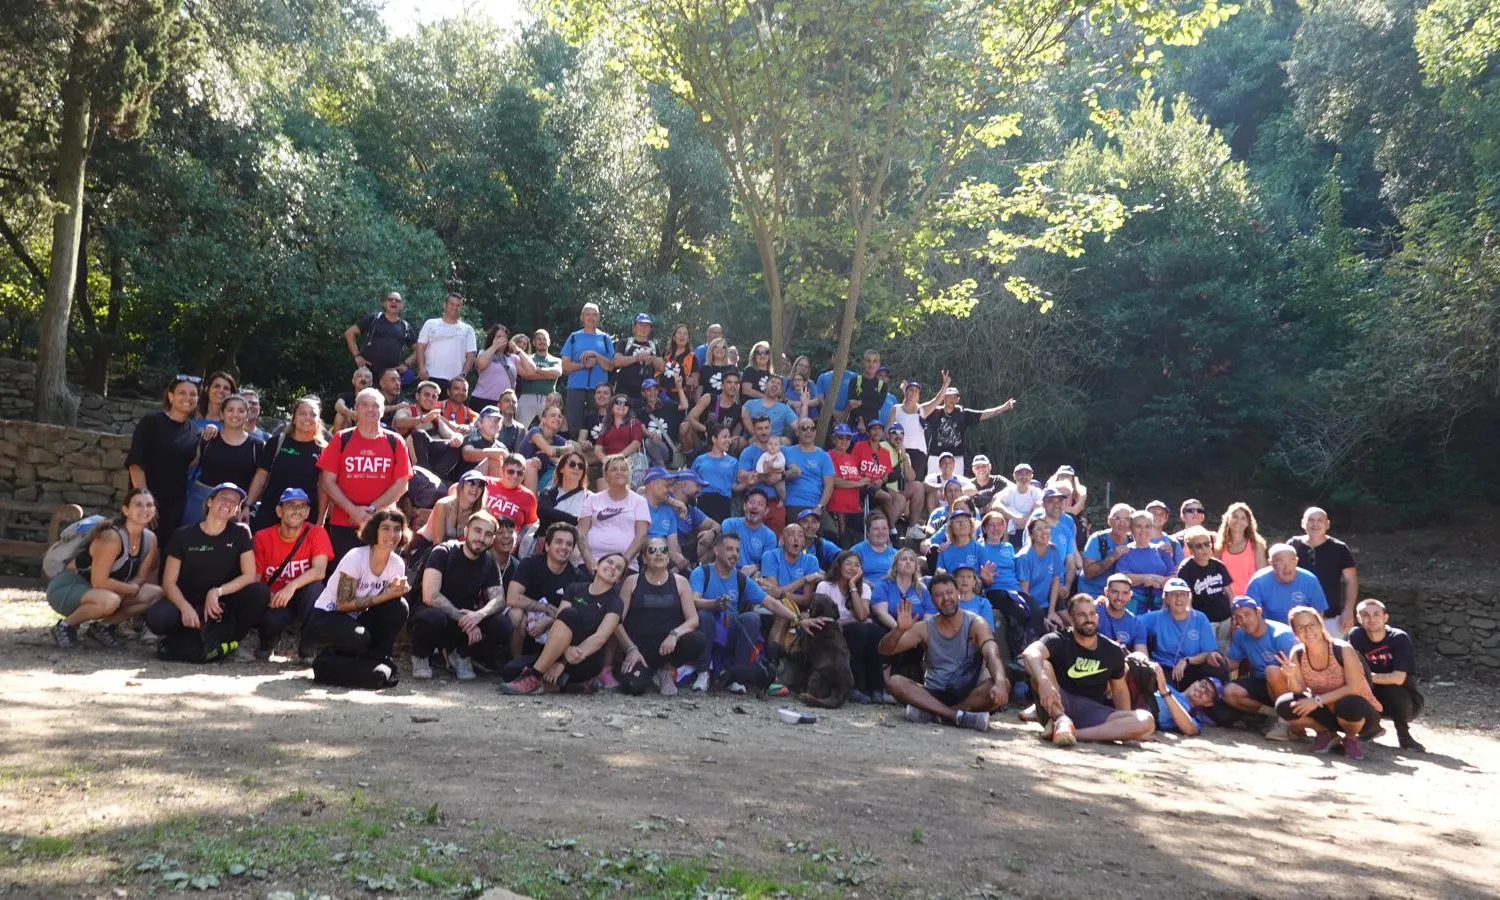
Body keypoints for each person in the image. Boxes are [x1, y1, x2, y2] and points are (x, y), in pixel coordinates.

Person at [146, 483, 271, 663]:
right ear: (210, 502)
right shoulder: (183, 535)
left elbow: (249, 575)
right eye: (224, 498)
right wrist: (184, 607)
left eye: (235, 502)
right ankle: (183, 638)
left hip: (222, 600)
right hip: (188, 598)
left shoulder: (240, 535)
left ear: (237, 510)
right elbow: (169, 582)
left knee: (259, 592)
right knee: (158, 618)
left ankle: (233, 643)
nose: (229, 503)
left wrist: (218, 591)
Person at [1021, 593, 1156, 746]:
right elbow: (1029, 653)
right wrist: (1042, 681)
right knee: (1042, 665)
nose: (1089, 619)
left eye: (1092, 614)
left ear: (1097, 617)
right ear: (1071, 619)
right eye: (1082, 615)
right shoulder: (1058, 639)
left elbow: (1119, 690)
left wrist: (1126, 724)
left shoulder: (1112, 649)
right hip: (1057, 703)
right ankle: (1061, 721)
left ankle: (1073, 733)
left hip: (1091, 710)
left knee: (1146, 720)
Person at [879, 572, 1009, 730]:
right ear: (932, 600)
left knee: (1003, 683)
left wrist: (1000, 682)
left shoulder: (976, 623)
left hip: (969, 695)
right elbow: (885, 650)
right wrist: (899, 630)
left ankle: (938, 715)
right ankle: (955, 716)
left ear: (958, 594)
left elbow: (991, 652)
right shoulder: (925, 627)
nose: (946, 599)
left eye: (949, 593)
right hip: (933, 693)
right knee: (896, 682)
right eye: (939, 595)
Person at [303, 508, 411, 680]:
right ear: (374, 530)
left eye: (397, 529)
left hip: (357, 618)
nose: (392, 534)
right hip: (327, 617)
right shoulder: (355, 557)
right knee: (359, 637)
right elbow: (343, 604)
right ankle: (329, 661)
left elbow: (385, 607)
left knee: (398, 607)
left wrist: (396, 592)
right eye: (386, 528)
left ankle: (378, 659)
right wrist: (386, 595)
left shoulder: (397, 564)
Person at [47, 488, 163, 649]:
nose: (145, 510)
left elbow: (142, 576)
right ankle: (65, 627)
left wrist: (133, 588)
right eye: (138, 505)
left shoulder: (150, 539)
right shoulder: (111, 537)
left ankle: (103, 628)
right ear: (125, 510)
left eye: (149, 505)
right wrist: (130, 590)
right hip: (69, 587)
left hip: (107, 590)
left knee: (155, 593)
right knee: (111, 601)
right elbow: (99, 582)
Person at [499, 552, 627, 693]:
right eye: (609, 562)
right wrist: (562, 654)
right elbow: (559, 622)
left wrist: (563, 662)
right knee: (510, 671)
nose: (613, 567)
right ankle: (566, 685)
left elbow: (600, 637)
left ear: (619, 579)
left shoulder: (615, 602)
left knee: (570, 614)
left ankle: (535, 678)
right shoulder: (574, 589)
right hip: (562, 650)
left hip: (584, 657)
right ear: (597, 565)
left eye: (619, 568)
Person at [689, 531, 798, 692]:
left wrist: (798, 619)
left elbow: (771, 603)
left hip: (730, 632)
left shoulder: (741, 579)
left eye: (737, 550)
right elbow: (693, 601)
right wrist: (714, 604)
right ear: (716, 551)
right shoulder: (702, 572)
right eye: (729, 549)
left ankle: (738, 677)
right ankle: (703, 673)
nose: (735, 554)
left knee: (752, 618)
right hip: (707, 632)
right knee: (704, 616)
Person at [1275, 605, 1382, 760]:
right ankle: (1326, 733)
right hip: (1326, 710)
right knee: (1284, 705)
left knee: (1349, 704)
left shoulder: (1343, 649)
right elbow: (1298, 691)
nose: (1308, 631)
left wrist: (1316, 701)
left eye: (1312, 625)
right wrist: (1291, 676)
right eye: (1301, 627)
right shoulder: (1297, 653)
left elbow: (1354, 687)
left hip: (1358, 710)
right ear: (1295, 632)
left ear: (1320, 625)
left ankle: (1351, 738)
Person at [318, 388, 413, 562]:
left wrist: (372, 509)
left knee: (380, 579)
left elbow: (402, 484)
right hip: (344, 522)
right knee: (346, 578)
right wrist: (352, 510)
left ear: (383, 411)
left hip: (383, 523)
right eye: (365, 405)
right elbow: (327, 482)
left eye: (375, 405)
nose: (370, 409)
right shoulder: (340, 439)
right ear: (356, 410)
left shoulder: (396, 441)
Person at [412, 511, 506, 681]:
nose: (481, 538)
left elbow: (499, 600)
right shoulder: (443, 552)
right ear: (466, 531)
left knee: (503, 625)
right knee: (433, 618)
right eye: (477, 531)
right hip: (434, 615)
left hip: (465, 620)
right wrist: (466, 621)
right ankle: (421, 655)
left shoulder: (489, 561)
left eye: (488, 534)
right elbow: (430, 595)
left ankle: (462, 654)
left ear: (492, 539)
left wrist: (479, 615)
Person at [616, 537, 710, 695]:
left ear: (668, 558)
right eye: (652, 550)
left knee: (697, 639)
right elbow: (616, 621)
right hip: (639, 649)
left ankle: (667, 671)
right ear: (644, 558)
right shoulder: (632, 582)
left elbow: (693, 620)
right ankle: (650, 675)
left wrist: (675, 634)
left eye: (663, 550)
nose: (658, 554)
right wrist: (630, 649)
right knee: (632, 686)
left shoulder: (680, 582)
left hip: (668, 649)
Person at [250, 488, 333, 663]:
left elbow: (320, 570)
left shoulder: (316, 532)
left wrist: (291, 586)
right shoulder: (262, 537)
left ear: (308, 512)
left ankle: (307, 647)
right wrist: (269, 596)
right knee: (265, 605)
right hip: (276, 600)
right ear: (279, 511)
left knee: (317, 588)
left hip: (302, 597)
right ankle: (267, 644)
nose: (297, 510)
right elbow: (255, 580)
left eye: (302, 506)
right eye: (291, 505)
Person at [127, 374, 203, 541]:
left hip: (175, 505)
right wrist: (146, 503)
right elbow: (136, 465)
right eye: (182, 392)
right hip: (146, 499)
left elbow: (189, 462)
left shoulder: (194, 431)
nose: (187, 398)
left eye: (193, 394)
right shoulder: (151, 423)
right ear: (170, 396)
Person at [1347, 599, 1426, 752]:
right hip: (1370, 693)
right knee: (1351, 690)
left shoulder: (1398, 638)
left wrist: (1366, 677)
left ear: (1385, 617)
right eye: (1365, 615)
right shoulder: (1355, 636)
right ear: (1358, 619)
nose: (1371, 619)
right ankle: (1368, 729)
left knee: (1392, 689)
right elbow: (1351, 669)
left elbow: (1398, 678)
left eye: (1376, 614)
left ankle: (1404, 736)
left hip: (1405, 702)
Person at [505, 523, 585, 661]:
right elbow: (512, 598)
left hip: (554, 627)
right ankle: (515, 663)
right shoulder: (530, 564)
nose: (564, 547)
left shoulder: (577, 577)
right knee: (516, 614)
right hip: (526, 622)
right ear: (547, 546)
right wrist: (547, 608)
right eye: (559, 542)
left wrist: (550, 621)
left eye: (568, 544)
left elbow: (576, 614)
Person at [816, 551, 887, 704]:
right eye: (848, 563)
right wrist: (852, 621)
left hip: (856, 630)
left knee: (875, 631)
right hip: (831, 632)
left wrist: (853, 586)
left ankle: (876, 689)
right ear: (839, 565)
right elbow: (827, 620)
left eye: (857, 565)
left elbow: (861, 615)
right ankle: (856, 687)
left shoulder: (865, 588)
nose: (852, 568)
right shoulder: (825, 586)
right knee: (860, 630)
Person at [1221, 597, 1298, 740]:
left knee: (1272, 671)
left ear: (1258, 612)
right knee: (1228, 692)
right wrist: (1214, 660)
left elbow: (1297, 672)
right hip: (1261, 682)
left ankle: (1286, 722)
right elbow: (1233, 662)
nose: (1244, 620)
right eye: (1239, 617)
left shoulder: (1282, 635)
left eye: (1247, 614)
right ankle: (1273, 714)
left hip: (1288, 685)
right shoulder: (1240, 634)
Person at [182, 394, 263, 529]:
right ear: (221, 414)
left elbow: (260, 479)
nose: (235, 414)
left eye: (241, 411)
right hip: (200, 502)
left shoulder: (257, 445)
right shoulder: (207, 438)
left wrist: (248, 506)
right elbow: (187, 463)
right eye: (230, 410)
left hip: (234, 507)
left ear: (247, 415)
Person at [246, 397, 327, 533]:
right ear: (294, 418)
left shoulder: (324, 450)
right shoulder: (277, 442)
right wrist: (247, 506)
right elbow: (261, 477)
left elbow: (323, 488)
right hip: (270, 514)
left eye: (313, 414)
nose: (307, 418)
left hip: (304, 518)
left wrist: (320, 520)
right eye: (302, 413)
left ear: (318, 420)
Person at [922, 370, 1016, 476]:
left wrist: (1003, 408)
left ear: (958, 399)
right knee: (933, 485)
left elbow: (983, 414)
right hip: (935, 456)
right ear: (943, 397)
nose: (952, 399)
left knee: (956, 485)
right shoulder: (933, 412)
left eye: (954, 397)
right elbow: (919, 411)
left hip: (956, 457)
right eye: (949, 396)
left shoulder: (963, 413)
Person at [1140, 578, 1228, 689]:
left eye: (1182, 594)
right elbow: (1133, 623)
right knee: (1163, 687)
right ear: (1166, 598)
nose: (1178, 598)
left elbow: (1207, 652)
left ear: (1188, 597)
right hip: (1164, 667)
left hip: (1191, 666)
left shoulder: (1200, 618)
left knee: (1218, 669)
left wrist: (1187, 661)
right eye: (1174, 594)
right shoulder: (1155, 617)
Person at [1288, 507, 1358, 637]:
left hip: (1331, 617)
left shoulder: (1340, 548)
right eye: (1311, 520)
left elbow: (1351, 581)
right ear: (1303, 523)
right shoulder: (1292, 545)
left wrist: (1348, 611)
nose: (1315, 524)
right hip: (1296, 617)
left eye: (1320, 520)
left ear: (1327, 524)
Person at [577, 455, 651, 572]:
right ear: (606, 476)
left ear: (629, 474)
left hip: (626, 565)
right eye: (614, 469)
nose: (619, 472)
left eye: (623, 469)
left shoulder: (639, 501)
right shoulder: (592, 499)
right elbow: (581, 533)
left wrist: (623, 561)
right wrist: (589, 560)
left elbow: (641, 536)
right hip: (592, 562)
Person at [559, 302, 616, 435]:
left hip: (599, 390)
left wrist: (595, 354)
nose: (591, 317)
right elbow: (565, 366)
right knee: (574, 426)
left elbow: (611, 366)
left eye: (594, 314)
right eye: (588, 314)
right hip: (576, 388)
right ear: (582, 317)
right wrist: (584, 365)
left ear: (599, 318)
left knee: (600, 425)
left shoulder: (605, 338)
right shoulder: (574, 337)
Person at [1176, 525, 1234, 651]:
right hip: (1205, 620)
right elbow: (1186, 597)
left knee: (1225, 648)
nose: (1204, 549)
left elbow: (1229, 592)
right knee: (1208, 652)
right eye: (1198, 546)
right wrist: (1191, 620)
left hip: (1225, 617)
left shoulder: (1218, 565)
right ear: (1190, 549)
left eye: (1207, 544)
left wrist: (1233, 614)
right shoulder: (1186, 569)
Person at [393, 381, 464, 480]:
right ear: (417, 396)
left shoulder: (435, 417)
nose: (430, 399)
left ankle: (436, 478)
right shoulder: (406, 411)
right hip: (407, 460)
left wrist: (458, 437)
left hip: (432, 461)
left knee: (457, 444)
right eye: (426, 395)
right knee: (419, 434)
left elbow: (451, 435)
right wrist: (422, 419)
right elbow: (398, 422)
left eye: (434, 397)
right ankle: (423, 477)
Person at [1245, 544, 1327, 624]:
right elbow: (1251, 615)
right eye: (1280, 562)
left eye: (1292, 561)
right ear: (1271, 563)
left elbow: (1318, 612)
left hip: (1302, 629)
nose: (1287, 568)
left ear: (1297, 561)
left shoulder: (1310, 580)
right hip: (1269, 631)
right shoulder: (1258, 582)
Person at [1113, 511, 1178, 613]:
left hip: (1161, 607)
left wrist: (1160, 583)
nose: (1143, 530)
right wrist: (1146, 578)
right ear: (1131, 529)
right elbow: (1123, 578)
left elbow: (1174, 576)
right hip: (1133, 608)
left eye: (1147, 526)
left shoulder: (1162, 550)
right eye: (1138, 526)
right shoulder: (1125, 552)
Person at [415, 292, 477, 395]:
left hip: (454, 381)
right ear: (445, 305)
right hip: (430, 376)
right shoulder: (431, 324)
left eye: (458, 305)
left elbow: (471, 354)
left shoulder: (468, 329)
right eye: (452, 304)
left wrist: (463, 375)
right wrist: (421, 368)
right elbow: (420, 346)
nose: (455, 307)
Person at [345, 291, 416, 380]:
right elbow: (349, 333)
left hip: (391, 376)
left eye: (397, 301)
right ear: (385, 303)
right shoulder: (374, 319)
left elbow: (418, 349)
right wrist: (357, 356)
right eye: (390, 299)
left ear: (401, 306)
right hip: (367, 372)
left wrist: (406, 364)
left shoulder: (405, 326)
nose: (393, 302)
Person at [756, 522, 823, 615]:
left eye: (800, 536)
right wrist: (803, 580)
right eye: (791, 535)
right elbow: (773, 595)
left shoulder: (812, 561)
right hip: (772, 606)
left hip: (800, 609)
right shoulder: (770, 556)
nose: (796, 539)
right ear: (782, 540)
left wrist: (782, 594)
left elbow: (806, 600)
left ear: (803, 542)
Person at [781, 417, 836, 525]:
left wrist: (819, 507)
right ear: (797, 432)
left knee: (831, 534)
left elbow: (829, 485)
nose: (808, 432)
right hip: (792, 504)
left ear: (815, 432)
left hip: (815, 505)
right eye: (804, 428)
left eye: (812, 429)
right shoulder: (785, 451)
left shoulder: (824, 456)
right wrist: (788, 473)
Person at [886, 380, 941, 483]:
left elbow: (937, 400)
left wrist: (945, 384)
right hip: (898, 450)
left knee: (916, 484)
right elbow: (887, 431)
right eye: (911, 390)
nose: (914, 392)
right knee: (896, 482)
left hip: (918, 454)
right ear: (905, 392)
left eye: (917, 391)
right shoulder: (896, 409)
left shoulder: (922, 410)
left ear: (919, 396)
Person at [1015, 517, 1065, 629]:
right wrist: (1040, 617)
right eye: (1039, 529)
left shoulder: (1053, 551)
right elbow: (1024, 592)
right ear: (1031, 535)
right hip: (1029, 606)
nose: (1044, 532)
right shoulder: (1024, 557)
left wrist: (1051, 611)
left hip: (1047, 604)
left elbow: (1055, 581)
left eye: (1046, 528)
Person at [1148, 662, 1221, 736]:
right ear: (1194, 682)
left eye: (1208, 692)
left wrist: (1165, 692)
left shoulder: (1193, 716)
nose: (1202, 690)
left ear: (1208, 704)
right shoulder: (1167, 686)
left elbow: (1190, 730)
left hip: (1145, 715)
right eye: (1203, 684)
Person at [591, 393, 647, 489]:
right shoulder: (605, 426)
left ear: (629, 408)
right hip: (609, 465)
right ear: (612, 407)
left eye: (626, 404)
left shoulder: (634, 423)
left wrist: (617, 458)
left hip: (628, 463)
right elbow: (597, 449)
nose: (622, 405)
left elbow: (636, 444)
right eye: (618, 402)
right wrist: (607, 461)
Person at [684, 369, 745, 454]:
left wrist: (733, 439)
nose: (733, 386)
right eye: (729, 382)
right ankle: (690, 459)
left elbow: (753, 432)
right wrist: (705, 429)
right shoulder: (709, 398)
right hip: (703, 441)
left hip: (724, 445)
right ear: (722, 385)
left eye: (736, 383)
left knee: (741, 441)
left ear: (739, 387)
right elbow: (690, 417)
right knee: (684, 426)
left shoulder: (740, 409)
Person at [1078, 503, 1133, 597]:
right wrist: (1112, 557)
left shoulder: (1132, 540)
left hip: (1119, 596)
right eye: (1117, 519)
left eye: (1127, 519)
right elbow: (1088, 573)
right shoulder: (1097, 539)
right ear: (1109, 520)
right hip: (1093, 595)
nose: (1122, 524)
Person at [873, 548, 935, 630]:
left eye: (912, 560)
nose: (908, 562)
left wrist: (919, 632)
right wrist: (900, 630)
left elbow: (930, 613)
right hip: (889, 631)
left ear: (915, 568)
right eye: (903, 559)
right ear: (895, 566)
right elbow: (881, 613)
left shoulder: (922, 588)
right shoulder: (883, 585)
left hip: (917, 634)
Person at [1216, 501, 1268, 598]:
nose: (1238, 521)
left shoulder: (1256, 545)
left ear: (1248, 523)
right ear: (1228, 519)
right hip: (1226, 598)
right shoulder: (1219, 546)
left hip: (1250, 598)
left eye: (1243, 518)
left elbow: (1262, 575)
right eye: (1235, 517)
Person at [721, 487, 779, 572]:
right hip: (729, 570)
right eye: (751, 502)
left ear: (766, 511)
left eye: (760, 504)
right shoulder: (730, 524)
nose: (754, 506)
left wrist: (756, 567)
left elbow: (768, 563)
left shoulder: (770, 536)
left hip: (752, 575)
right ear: (744, 506)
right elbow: (723, 552)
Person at [690, 425, 740, 522]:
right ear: (714, 439)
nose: (728, 440)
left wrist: (747, 483)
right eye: (724, 437)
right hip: (702, 502)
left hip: (723, 503)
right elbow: (692, 481)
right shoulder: (700, 460)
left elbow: (734, 486)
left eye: (729, 437)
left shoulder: (733, 462)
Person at [479, 453, 539, 535]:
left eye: (520, 473)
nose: (515, 476)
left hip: (506, 542)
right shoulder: (485, 483)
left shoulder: (529, 497)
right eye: (511, 472)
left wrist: (520, 538)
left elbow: (530, 525)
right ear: (502, 471)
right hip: (480, 535)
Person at [826, 424, 866, 546]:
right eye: (840, 437)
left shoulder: (851, 458)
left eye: (847, 438)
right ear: (834, 439)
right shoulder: (829, 456)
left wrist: (865, 480)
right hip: (838, 508)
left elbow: (857, 478)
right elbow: (834, 481)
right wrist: (857, 483)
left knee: (858, 543)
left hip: (855, 508)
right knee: (841, 544)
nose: (844, 441)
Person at [520, 405, 574, 492]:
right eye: (553, 415)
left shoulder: (558, 439)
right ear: (543, 419)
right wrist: (567, 448)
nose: (557, 418)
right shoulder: (535, 432)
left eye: (559, 416)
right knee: (532, 464)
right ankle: (532, 503)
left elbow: (573, 450)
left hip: (542, 478)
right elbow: (549, 451)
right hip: (521, 476)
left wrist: (569, 448)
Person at [517, 329, 563, 427]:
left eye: (544, 339)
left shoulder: (556, 360)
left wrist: (534, 369)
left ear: (549, 342)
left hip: (548, 399)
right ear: (534, 342)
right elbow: (526, 375)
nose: (542, 341)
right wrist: (547, 374)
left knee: (550, 428)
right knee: (520, 429)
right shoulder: (527, 358)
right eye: (539, 339)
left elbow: (555, 373)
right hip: (527, 397)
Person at [471, 324, 520, 413]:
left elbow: (531, 370)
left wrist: (518, 350)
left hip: (505, 403)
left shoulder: (512, 357)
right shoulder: (484, 352)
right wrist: (494, 347)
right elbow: (480, 364)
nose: (502, 339)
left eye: (504, 337)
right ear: (492, 338)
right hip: (482, 400)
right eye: (498, 336)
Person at [994, 463, 1044, 547]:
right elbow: (995, 505)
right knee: (1003, 513)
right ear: (1014, 476)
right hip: (1013, 528)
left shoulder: (1036, 491)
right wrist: (1015, 518)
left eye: (1027, 474)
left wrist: (1027, 519)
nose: (1023, 477)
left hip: (1031, 527)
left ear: (1031, 476)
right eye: (1020, 474)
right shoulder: (1009, 491)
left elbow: (1043, 503)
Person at [613, 313, 661, 399]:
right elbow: (616, 362)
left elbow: (661, 368)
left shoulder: (654, 346)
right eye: (641, 324)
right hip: (624, 391)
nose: (644, 328)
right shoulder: (625, 342)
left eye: (647, 325)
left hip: (647, 393)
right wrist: (637, 358)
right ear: (634, 327)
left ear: (650, 328)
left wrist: (652, 358)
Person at [1095, 574, 1146, 653]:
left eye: (1125, 593)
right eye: (1115, 592)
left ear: (1130, 595)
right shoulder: (1093, 611)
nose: (1119, 597)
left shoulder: (1136, 623)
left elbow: (1142, 655)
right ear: (1106, 592)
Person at [658, 323, 698, 413]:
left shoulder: (692, 357)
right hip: (663, 394)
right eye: (679, 333)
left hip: (681, 396)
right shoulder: (666, 354)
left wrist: (692, 380)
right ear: (673, 337)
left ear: (688, 339)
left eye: (685, 333)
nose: (682, 336)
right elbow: (658, 373)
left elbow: (696, 381)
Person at [850, 513, 897, 582]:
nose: (881, 532)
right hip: (865, 590)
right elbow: (850, 575)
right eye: (876, 529)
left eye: (884, 528)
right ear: (868, 532)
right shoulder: (857, 551)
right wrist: (871, 586)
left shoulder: (896, 553)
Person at [333, 367, 375, 432]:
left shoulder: (377, 397)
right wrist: (351, 414)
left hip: (370, 427)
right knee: (340, 415)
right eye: (359, 376)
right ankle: (339, 441)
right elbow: (338, 405)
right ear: (353, 381)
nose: (363, 378)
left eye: (367, 377)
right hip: (349, 427)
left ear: (371, 383)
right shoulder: (346, 396)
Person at [753, 433, 789, 504]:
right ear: (766, 445)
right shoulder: (765, 455)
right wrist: (760, 471)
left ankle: (781, 499)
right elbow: (759, 463)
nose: (773, 446)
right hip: (766, 476)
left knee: (781, 488)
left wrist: (773, 464)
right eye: (770, 444)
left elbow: (782, 463)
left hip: (778, 476)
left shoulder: (780, 455)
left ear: (779, 447)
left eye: (776, 445)